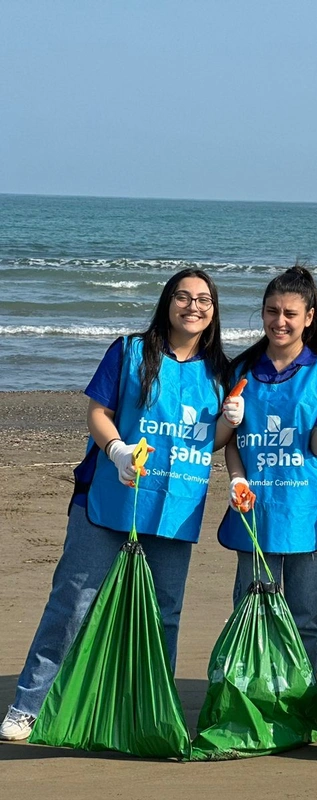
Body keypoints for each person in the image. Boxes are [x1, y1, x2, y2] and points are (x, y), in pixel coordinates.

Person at [1, 269, 229, 741]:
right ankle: (29, 704)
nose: (194, 306)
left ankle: (152, 709)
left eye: (204, 299)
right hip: (108, 496)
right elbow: (98, 413)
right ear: (167, 302)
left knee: (163, 612)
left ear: (214, 310)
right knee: (73, 602)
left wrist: (231, 420)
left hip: (174, 503)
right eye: (183, 297)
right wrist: (118, 450)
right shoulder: (130, 351)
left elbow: (211, 442)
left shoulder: (221, 371)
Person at [217, 265, 317, 675]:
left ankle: (299, 702)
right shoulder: (240, 370)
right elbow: (232, 442)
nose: (280, 321)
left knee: (307, 620)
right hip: (256, 510)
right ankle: (254, 695)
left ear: (309, 317)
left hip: (308, 509)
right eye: (272, 311)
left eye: (290, 313)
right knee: (254, 611)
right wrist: (236, 477)